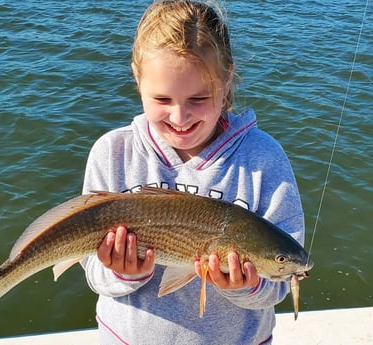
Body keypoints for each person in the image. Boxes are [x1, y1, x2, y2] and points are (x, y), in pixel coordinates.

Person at [81, 1, 304, 344]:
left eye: (199, 98)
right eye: (162, 99)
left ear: (228, 78)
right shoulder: (113, 153)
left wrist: (248, 286)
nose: (180, 117)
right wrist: (122, 273)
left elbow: (278, 281)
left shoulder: (264, 160)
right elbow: (93, 272)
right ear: (137, 79)